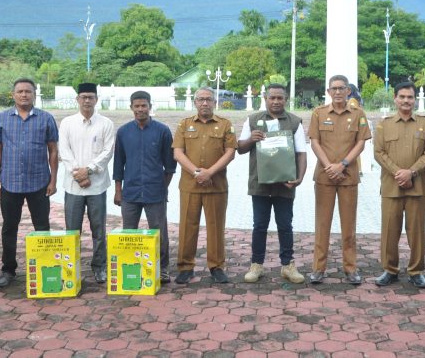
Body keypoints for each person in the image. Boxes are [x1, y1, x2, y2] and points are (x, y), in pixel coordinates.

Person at [0, 78, 59, 287]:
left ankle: (44, 266)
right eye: (20, 91)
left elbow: (53, 150)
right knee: (9, 227)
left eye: (28, 91)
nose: (24, 95)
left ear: (34, 95)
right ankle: (8, 270)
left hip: (39, 181)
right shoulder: (1, 119)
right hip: (10, 182)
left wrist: (53, 179)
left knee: (42, 227)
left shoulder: (46, 119)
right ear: (13, 95)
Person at [238, 84, 307, 284]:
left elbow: (301, 152)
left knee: (285, 225)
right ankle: (256, 265)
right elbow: (240, 148)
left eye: (280, 98)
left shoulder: (294, 122)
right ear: (265, 98)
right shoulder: (252, 120)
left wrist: (300, 178)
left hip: (285, 184)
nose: (276, 101)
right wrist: (251, 139)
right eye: (272, 98)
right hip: (260, 183)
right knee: (259, 226)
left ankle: (288, 265)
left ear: (286, 99)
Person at [308, 74, 372, 285]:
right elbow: (315, 142)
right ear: (328, 92)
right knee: (322, 224)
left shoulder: (357, 114)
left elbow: (361, 143)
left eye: (341, 88)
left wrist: (342, 164)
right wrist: (329, 166)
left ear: (348, 91)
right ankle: (318, 268)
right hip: (325, 176)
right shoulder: (318, 113)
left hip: (348, 176)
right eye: (333, 88)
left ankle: (350, 268)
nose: (337, 92)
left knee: (349, 226)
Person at [373, 81, 425, 288]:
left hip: (418, 187)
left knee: (417, 231)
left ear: (415, 99)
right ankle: (389, 269)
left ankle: (416, 271)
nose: (406, 101)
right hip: (391, 187)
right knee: (390, 231)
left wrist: (411, 172)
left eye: (410, 97)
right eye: (402, 97)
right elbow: (378, 152)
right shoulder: (384, 124)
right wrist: (398, 173)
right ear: (395, 99)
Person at [172, 87, 237, 284]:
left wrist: (210, 172)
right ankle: (185, 267)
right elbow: (178, 153)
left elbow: (230, 152)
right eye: (200, 99)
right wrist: (197, 173)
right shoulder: (184, 124)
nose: (205, 103)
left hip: (216, 185)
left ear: (215, 102)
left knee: (216, 226)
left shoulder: (225, 124)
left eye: (208, 99)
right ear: (195, 102)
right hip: (190, 185)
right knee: (187, 226)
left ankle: (216, 266)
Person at [113, 90, 176, 283]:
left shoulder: (162, 131)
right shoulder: (123, 132)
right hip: (130, 192)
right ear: (131, 108)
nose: (141, 109)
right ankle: (131, 267)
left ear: (150, 106)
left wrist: (162, 187)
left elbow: (170, 166)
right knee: (129, 232)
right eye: (137, 106)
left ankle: (162, 268)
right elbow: (118, 164)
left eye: (144, 105)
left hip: (154, 191)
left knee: (159, 232)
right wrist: (118, 191)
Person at [58, 83, 115, 284]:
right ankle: (71, 267)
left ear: (96, 99)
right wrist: (79, 174)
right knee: (72, 231)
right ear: (77, 99)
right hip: (73, 187)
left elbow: (108, 152)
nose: (87, 101)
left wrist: (88, 170)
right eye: (83, 97)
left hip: (97, 186)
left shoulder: (106, 123)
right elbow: (64, 152)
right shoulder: (67, 123)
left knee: (98, 229)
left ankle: (99, 267)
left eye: (91, 97)